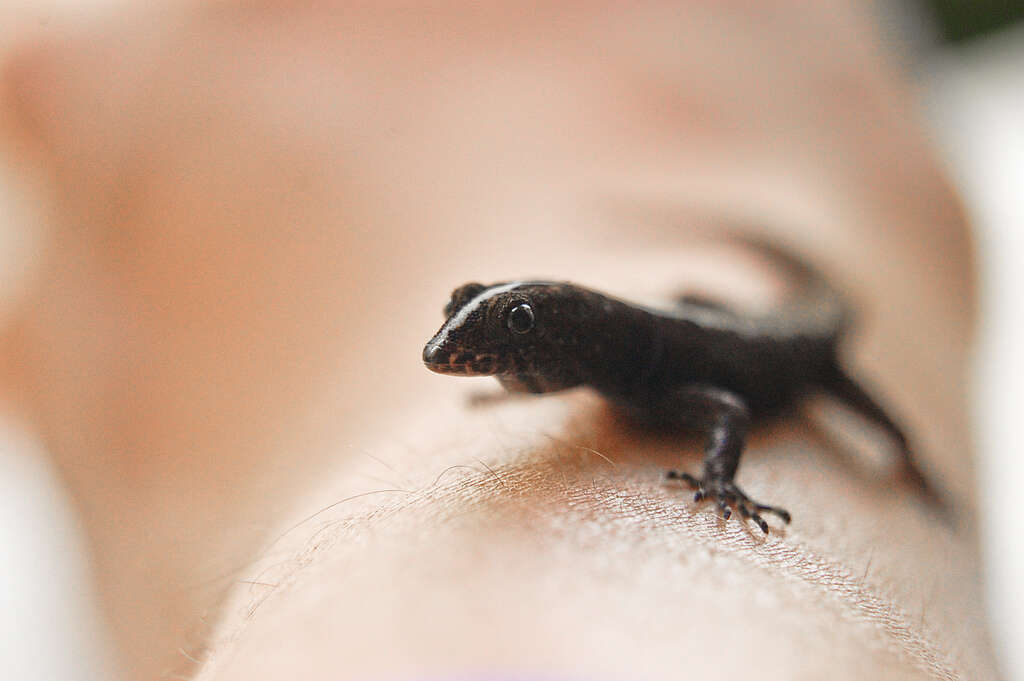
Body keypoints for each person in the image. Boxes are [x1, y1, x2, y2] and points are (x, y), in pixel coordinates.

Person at [0, 2, 996, 679]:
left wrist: (720, 483)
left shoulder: (657, 371)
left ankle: (900, 456)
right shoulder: (611, 360)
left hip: (800, 348)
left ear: (568, 329)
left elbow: (727, 405)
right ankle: (718, 200)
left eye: (512, 331)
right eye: (481, 318)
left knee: (861, 413)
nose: (462, 349)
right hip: (708, 311)